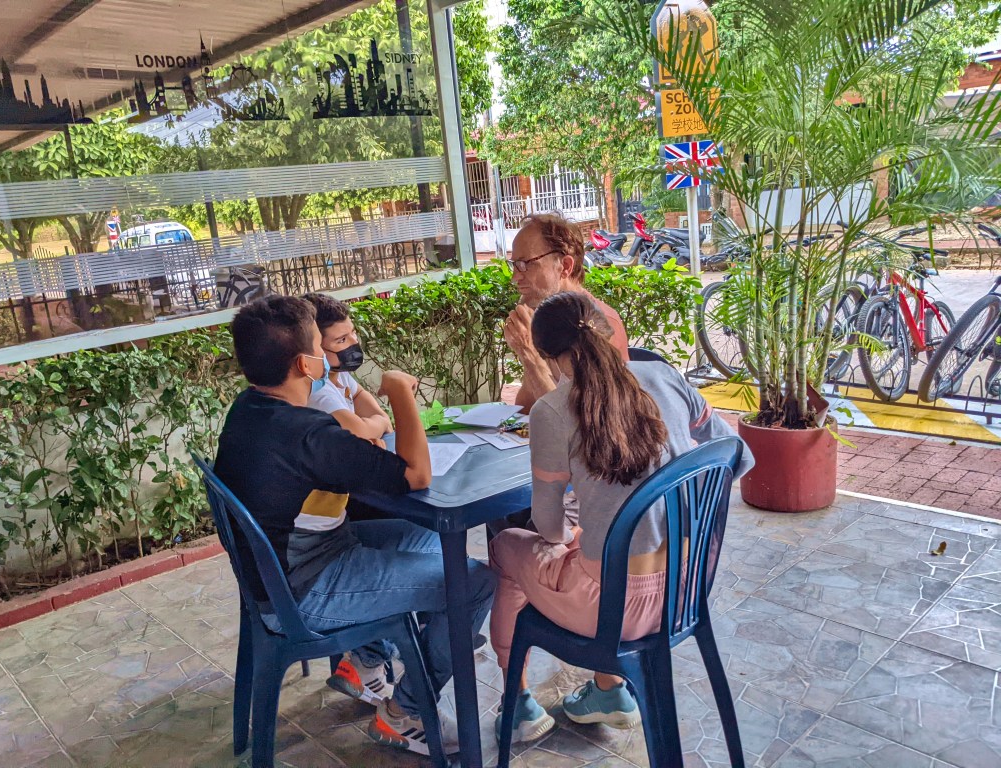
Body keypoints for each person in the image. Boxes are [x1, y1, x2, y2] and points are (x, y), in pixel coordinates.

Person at [213, 295, 495, 757]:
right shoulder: (310, 433)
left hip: (288, 569)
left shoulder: (249, 410)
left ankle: (389, 656)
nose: (333, 357)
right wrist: (402, 394)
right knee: (476, 582)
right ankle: (406, 712)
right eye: (322, 349)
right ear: (307, 363)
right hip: (305, 591)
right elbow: (416, 475)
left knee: (429, 538)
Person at [488, 292, 753, 742]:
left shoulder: (552, 410)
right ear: (608, 333)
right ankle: (608, 689)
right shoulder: (665, 376)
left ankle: (519, 705)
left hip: (614, 610)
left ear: (549, 357)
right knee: (590, 545)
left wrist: (575, 530)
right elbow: (736, 455)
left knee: (506, 547)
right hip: (686, 587)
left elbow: (550, 528)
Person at [504, 213, 630, 413]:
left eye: (525, 264)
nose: (515, 277)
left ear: (565, 266)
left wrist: (529, 353)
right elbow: (526, 408)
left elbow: (584, 425)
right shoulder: (546, 322)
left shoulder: (599, 325)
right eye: (514, 265)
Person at [302, 292, 391, 441]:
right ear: (315, 346)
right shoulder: (316, 389)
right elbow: (361, 432)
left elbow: (358, 395)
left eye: (353, 332)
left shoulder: (338, 373)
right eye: (341, 340)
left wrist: (377, 424)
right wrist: (381, 422)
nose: (354, 342)